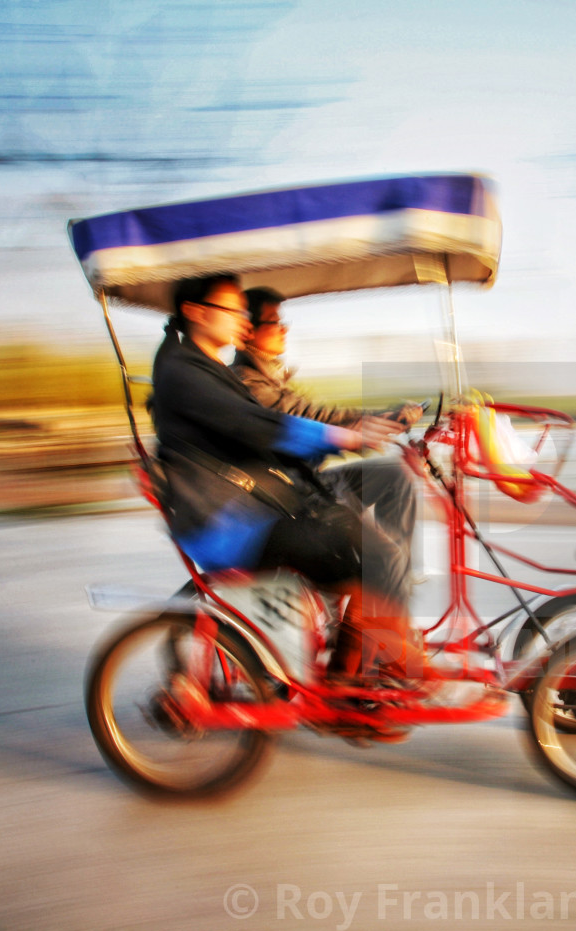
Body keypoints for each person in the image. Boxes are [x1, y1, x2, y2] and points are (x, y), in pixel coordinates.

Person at [148, 274, 423, 705]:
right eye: (234, 311)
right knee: (366, 548)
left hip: (242, 502)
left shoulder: (199, 366)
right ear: (196, 313)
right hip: (226, 518)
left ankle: (371, 656)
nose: (242, 320)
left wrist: (357, 430)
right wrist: (341, 437)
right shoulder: (185, 372)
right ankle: (356, 675)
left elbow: (268, 426)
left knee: (367, 538)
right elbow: (253, 425)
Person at [231, 288, 422, 585]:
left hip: (309, 476)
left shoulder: (270, 374)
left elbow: (321, 413)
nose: (284, 329)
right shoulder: (250, 382)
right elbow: (316, 418)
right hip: (294, 491)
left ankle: (394, 581)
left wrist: (384, 418)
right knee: (383, 554)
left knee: (394, 475)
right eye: (273, 322)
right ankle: (385, 587)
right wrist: (381, 420)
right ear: (248, 332)